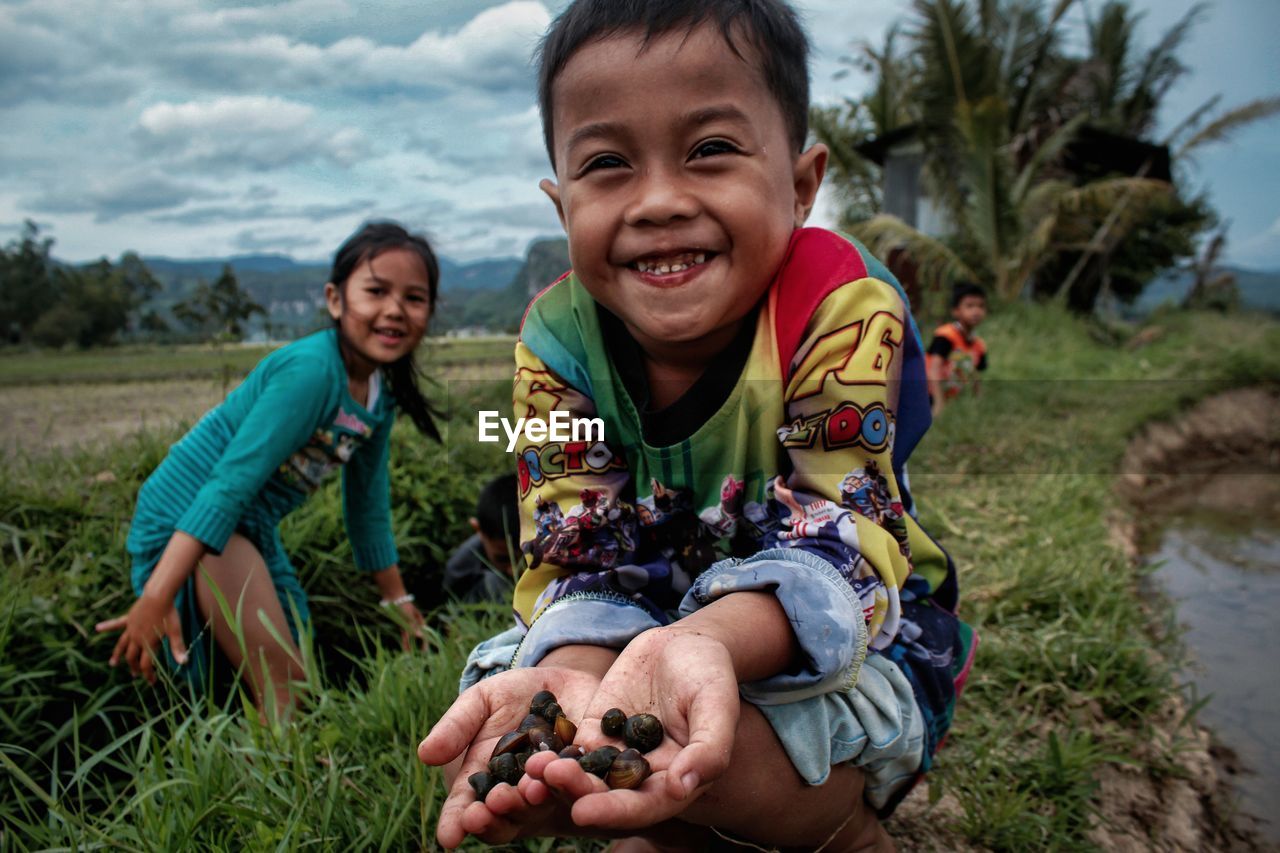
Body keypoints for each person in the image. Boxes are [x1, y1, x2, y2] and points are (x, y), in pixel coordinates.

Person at [417, 2, 975, 850]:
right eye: (607, 163)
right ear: (561, 204)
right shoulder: (555, 339)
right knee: (546, 697)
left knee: (742, 741)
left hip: (838, 625)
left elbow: (841, 536)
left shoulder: (837, 305)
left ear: (799, 183)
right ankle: (661, 816)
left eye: (710, 149)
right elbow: (576, 548)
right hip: (648, 626)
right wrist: (577, 678)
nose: (660, 201)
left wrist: (706, 638)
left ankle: (845, 834)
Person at [96, 221, 442, 716]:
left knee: (292, 642)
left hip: (247, 524)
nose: (394, 309)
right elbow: (228, 484)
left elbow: (367, 506)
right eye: (375, 290)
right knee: (285, 684)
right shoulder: (311, 372)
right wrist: (155, 596)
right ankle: (286, 775)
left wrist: (396, 600)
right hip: (191, 513)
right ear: (335, 299)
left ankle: (273, 755)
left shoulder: (378, 395)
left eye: (414, 297)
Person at [443, 473, 519, 604]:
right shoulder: (460, 572)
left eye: (527, 559)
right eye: (504, 559)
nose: (514, 571)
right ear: (478, 529)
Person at [926, 282, 988, 416]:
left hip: (952, 400)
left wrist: (978, 400)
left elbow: (976, 375)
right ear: (956, 311)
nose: (976, 311)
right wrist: (939, 403)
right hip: (926, 395)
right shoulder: (945, 336)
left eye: (981, 306)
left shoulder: (979, 344)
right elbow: (933, 369)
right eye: (970, 306)